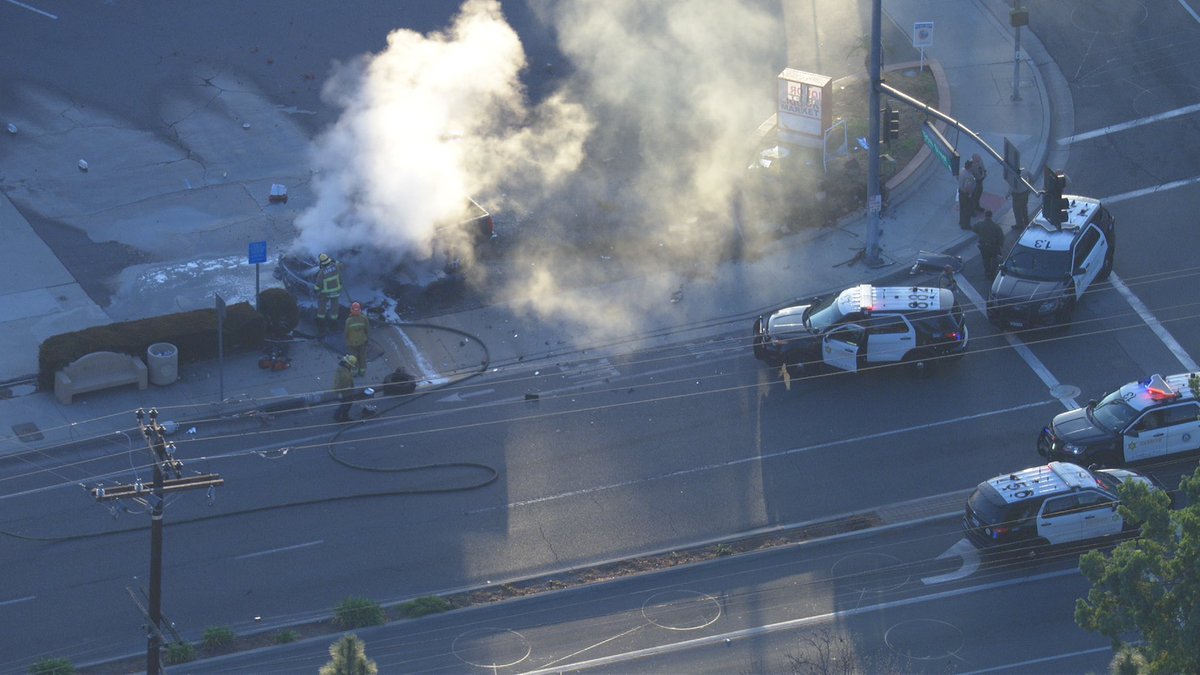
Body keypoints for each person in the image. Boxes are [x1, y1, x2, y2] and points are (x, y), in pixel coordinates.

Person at [313, 253, 343, 333]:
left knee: (322, 306)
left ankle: (321, 323)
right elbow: (341, 265)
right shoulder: (336, 266)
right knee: (334, 307)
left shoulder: (322, 272)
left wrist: (315, 290)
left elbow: (318, 284)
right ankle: (334, 324)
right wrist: (334, 261)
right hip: (336, 291)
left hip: (325, 293)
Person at [973, 210, 1005, 281]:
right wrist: (1001, 245)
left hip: (984, 246)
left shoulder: (980, 224)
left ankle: (987, 272)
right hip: (994, 246)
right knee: (994, 260)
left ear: (985, 215)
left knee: (985, 260)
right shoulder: (996, 226)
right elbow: (1001, 237)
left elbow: (974, 228)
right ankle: (992, 273)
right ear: (991, 216)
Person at [343, 302, 369, 376]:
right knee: (362, 357)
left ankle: (354, 373)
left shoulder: (349, 321)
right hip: (362, 341)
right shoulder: (364, 318)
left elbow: (346, 332)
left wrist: (347, 341)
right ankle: (362, 372)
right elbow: (367, 329)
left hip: (352, 342)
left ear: (351, 310)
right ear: (360, 310)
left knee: (353, 358)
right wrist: (366, 338)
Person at [332, 354, 357, 422]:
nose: (351, 366)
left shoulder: (344, 368)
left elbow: (349, 373)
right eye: (351, 365)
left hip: (346, 391)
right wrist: (340, 392)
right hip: (345, 393)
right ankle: (339, 417)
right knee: (346, 405)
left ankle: (343, 416)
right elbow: (340, 385)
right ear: (348, 364)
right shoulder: (344, 374)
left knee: (346, 404)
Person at [958, 163, 977, 230]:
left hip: (961, 192)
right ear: (970, 167)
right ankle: (966, 225)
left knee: (962, 208)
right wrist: (970, 194)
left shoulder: (961, 170)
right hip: (966, 195)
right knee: (967, 210)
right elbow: (967, 186)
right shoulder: (969, 176)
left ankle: (961, 221)